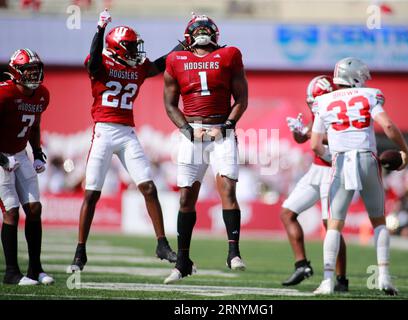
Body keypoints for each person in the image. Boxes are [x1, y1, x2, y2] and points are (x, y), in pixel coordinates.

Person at [69, 9, 184, 271]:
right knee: (91, 194)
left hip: (128, 132)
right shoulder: (100, 63)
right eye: (130, 47)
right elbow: (94, 60)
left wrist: (183, 44)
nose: (136, 51)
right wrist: (99, 29)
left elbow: (157, 65)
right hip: (103, 132)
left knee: (149, 187)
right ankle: (80, 251)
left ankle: (162, 244)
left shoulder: (138, 67)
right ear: (118, 48)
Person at [311, 57, 408, 295]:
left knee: (334, 224)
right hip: (367, 158)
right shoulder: (369, 95)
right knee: (378, 221)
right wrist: (405, 150)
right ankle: (384, 276)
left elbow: (315, 145)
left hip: (342, 160)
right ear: (354, 77)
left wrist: (332, 157)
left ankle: (327, 280)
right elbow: (387, 126)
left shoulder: (323, 102)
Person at [163, 14, 248, 284]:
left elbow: (242, 98)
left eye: (206, 27)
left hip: (221, 131)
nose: (202, 31)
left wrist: (226, 125)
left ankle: (233, 252)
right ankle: (182, 261)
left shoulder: (229, 55)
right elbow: (170, 104)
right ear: (188, 36)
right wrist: (188, 131)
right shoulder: (175, 60)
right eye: (197, 28)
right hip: (193, 132)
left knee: (228, 190)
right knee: (186, 197)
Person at [280, 75, 348, 291]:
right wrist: (299, 132)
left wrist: (309, 133)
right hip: (317, 169)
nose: (314, 105)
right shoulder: (319, 107)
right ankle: (302, 265)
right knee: (287, 213)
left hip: (334, 171)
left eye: (316, 100)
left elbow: (339, 137)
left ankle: (341, 279)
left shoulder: (342, 109)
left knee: (332, 226)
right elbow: (307, 138)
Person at [0, 48, 54, 285]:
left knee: (34, 209)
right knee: (11, 210)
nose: (34, 75)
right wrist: (2, 159)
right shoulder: (4, 93)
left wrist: (38, 153)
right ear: (16, 71)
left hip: (20, 154)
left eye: (36, 70)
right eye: (28, 70)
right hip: (2, 156)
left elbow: (34, 125)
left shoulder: (42, 94)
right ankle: (11, 272)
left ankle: (36, 269)